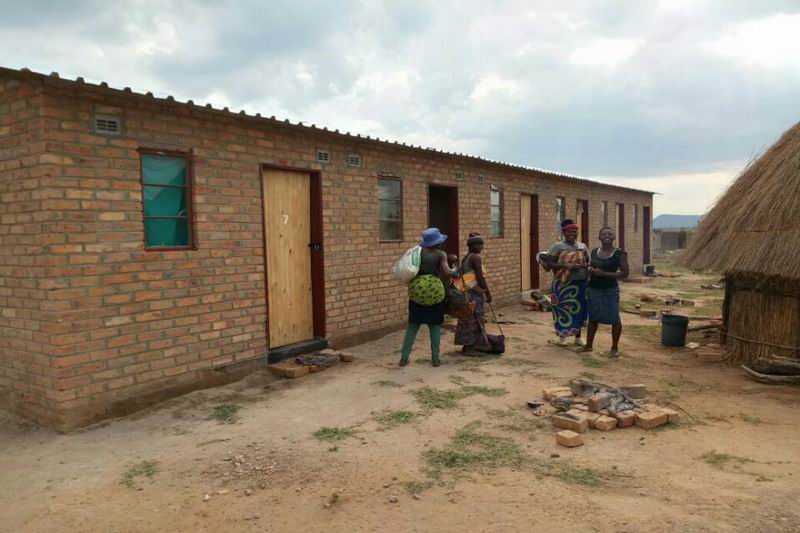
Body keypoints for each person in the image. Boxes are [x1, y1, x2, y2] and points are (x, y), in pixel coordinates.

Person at [399, 228, 452, 367]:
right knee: (434, 327)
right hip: (434, 294)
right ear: (438, 242)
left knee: (412, 327)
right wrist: (455, 270)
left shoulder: (417, 252)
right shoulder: (441, 254)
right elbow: (447, 272)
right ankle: (435, 359)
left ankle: (404, 358)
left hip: (417, 294)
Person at [542, 219, 590, 346]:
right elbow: (548, 264)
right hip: (562, 284)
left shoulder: (582, 246)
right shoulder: (557, 247)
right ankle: (562, 337)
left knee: (580, 310)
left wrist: (586, 269)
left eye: (575, 231)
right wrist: (566, 266)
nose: (572, 233)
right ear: (563, 232)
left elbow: (588, 262)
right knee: (561, 309)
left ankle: (578, 337)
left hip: (581, 283)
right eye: (569, 231)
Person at [584, 227, 629, 357]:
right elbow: (591, 266)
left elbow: (625, 274)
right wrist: (590, 270)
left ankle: (614, 348)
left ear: (614, 237)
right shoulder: (594, 252)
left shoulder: (620, 254)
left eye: (610, 234)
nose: (607, 235)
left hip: (610, 290)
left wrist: (604, 274)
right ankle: (588, 346)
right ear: (599, 237)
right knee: (593, 318)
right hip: (593, 288)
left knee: (615, 319)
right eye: (604, 234)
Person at [454, 233, 493, 355]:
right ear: (470, 245)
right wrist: (487, 293)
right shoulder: (475, 258)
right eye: (478, 244)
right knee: (474, 319)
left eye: (481, 244)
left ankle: (468, 345)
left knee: (468, 318)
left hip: (467, 292)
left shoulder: (466, 257)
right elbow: (480, 277)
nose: (481, 247)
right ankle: (470, 348)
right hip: (474, 293)